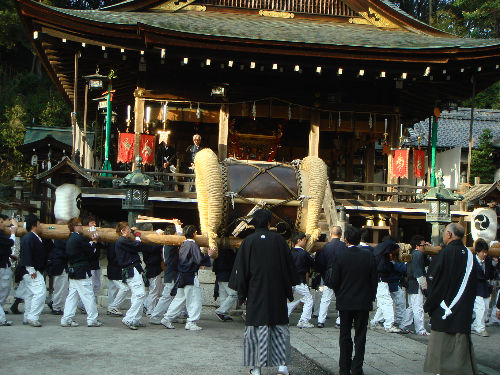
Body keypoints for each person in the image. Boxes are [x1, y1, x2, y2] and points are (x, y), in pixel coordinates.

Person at [229, 209, 298, 375]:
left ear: (254, 223)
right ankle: (282, 367)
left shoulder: (248, 242)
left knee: (256, 330)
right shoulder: (280, 241)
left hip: (255, 292)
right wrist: (289, 291)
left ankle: (257, 368)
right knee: (280, 327)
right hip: (277, 292)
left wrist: (242, 294)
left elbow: (242, 270)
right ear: (269, 223)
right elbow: (288, 267)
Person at [423, 223, 478, 375]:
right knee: (460, 350)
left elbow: (434, 281)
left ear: (449, 234)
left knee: (442, 350)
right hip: (463, 308)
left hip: (444, 307)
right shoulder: (470, 255)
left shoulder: (444, 254)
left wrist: (429, 304)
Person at [330, 225, 377, 375]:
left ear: (346, 240)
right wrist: (370, 296)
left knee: (344, 335)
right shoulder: (369, 255)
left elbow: (334, 280)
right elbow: (373, 280)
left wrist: (339, 293)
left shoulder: (341, 255)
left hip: (345, 300)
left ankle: (344, 367)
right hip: (363, 301)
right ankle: (357, 367)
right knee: (360, 335)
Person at [161, 225, 212, 331]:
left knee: (179, 299)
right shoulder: (193, 245)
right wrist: (209, 255)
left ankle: (167, 318)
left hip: (181, 275)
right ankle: (191, 322)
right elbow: (199, 260)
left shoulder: (183, 244)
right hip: (190, 276)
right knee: (195, 300)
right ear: (194, 233)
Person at [60, 217, 102, 327]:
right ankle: (92, 319)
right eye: (79, 225)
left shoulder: (70, 238)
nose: (81, 227)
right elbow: (90, 252)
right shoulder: (78, 239)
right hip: (82, 270)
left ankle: (66, 318)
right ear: (74, 227)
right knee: (88, 295)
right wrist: (94, 242)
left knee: (72, 296)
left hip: (74, 270)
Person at [149, 220, 184, 325]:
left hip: (172, 272)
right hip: (171, 273)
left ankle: (172, 315)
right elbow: (179, 237)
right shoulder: (170, 244)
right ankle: (155, 316)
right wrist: (178, 226)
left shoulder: (167, 244)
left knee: (174, 296)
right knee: (167, 296)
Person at [115, 221, 147, 330]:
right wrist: (138, 237)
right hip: (131, 269)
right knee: (140, 294)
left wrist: (133, 231)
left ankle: (136, 319)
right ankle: (129, 318)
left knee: (136, 295)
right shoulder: (122, 240)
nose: (130, 231)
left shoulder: (123, 239)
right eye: (128, 229)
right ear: (123, 231)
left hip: (134, 269)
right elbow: (137, 246)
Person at [18, 214, 47, 327]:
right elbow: (26, 254)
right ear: (35, 225)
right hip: (31, 270)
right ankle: (32, 316)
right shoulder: (29, 237)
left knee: (30, 294)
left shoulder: (32, 237)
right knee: (40, 292)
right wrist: (31, 269)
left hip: (32, 269)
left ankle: (27, 316)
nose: (41, 226)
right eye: (39, 224)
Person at [314, 225, 346, 328]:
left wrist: (324, 274)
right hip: (341, 274)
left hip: (329, 273)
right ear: (341, 235)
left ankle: (321, 320)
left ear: (331, 234)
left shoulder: (326, 247)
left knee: (326, 298)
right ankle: (339, 321)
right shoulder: (344, 246)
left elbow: (320, 263)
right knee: (341, 298)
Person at [370, 236, 402, 333]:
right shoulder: (383, 248)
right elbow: (390, 244)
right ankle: (389, 324)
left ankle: (375, 322)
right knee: (387, 302)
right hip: (380, 280)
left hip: (379, 279)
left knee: (383, 303)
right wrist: (399, 246)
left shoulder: (379, 251)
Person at [400, 235, 430, 336]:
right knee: (418, 307)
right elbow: (418, 273)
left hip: (411, 283)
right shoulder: (418, 255)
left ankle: (404, 325)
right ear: (417, 246)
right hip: (416, 283)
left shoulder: (414, 254)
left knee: (412, 307)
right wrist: (423, 287)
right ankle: (420, 329)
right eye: (423, 245)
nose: (424, 247)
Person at [287, 231, 315, 328]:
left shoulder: (289, 253)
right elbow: (312, 263)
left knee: (293, 301)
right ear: (299, 240)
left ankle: (283, 318)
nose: (306, 242)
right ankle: (304, 320)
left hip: (290, 282)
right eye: (304, 240)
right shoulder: (303, 254)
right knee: (309, 300)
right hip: (300, 281)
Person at [471, 238, 495, 337]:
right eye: (483, 252)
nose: (484, 254)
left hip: (485, 287)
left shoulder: (488, 260)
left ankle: (475, 325)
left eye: (486, 252)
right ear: (477, 251)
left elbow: (491, 273)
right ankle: (480, 328)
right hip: (475, 287)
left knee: (485, 307)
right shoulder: (472, 260)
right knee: (480, 307)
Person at [140, 223, 164, 316]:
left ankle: (146, 305)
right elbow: (156, 247)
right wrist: (159, 236)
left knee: (154, 291)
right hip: (153, 268)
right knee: (154, 291)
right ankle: (150, 311)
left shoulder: (144, 240)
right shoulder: (147, 242)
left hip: (152, 267)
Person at [213, 246, 238, 322]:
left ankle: (224, 314)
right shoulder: (230, 252)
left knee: (223, 295)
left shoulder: (218, 251)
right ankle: (221, 311)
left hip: (220, 276)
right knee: (234, 294)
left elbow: (215, 266)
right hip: (227, 276)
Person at [0, 214, 16, 326]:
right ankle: (1, 319)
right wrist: (13, 233)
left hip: (3, 264)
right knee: (3, 292)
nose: (2, 224)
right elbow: (9, 243)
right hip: (1, 267)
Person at [46, 233, 68, 315]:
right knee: (60, 286)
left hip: (59, 264)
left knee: (60, 287)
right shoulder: (60, 237)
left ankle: (54, 302)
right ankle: (56, 306)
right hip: (59, 264)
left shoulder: (59, 238)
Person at [105, 241, 127, 316]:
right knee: (123, 288)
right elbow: (112, 257)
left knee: (113, 289)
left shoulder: (114, 243)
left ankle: (111, 306)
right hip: (115, 268)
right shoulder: (113, 243)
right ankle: (113, 306)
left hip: (113, 268)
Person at [387, 255, 407, 331]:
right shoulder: (393, 263)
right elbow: (403, 269)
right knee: (400, 303)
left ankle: (381, 319)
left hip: (391, 284)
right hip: (394, 284)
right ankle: (399, 319)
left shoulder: (389, 262)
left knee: (389, 303)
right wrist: (404, 263)